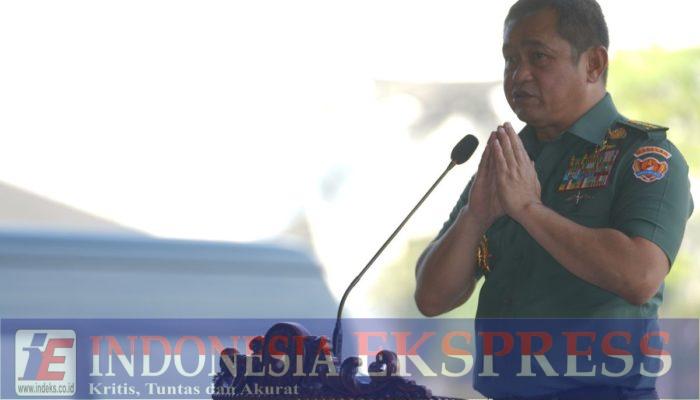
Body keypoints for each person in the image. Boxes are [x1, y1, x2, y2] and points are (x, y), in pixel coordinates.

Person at [414, 0, 693, 398]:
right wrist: (474, 217)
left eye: (538, 57)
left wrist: (529, 210)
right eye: (510, 59)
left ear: (593, 64)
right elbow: (431, 298)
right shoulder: (509, 162)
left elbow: (640, 276)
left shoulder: (642, 156)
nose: (519, 75)